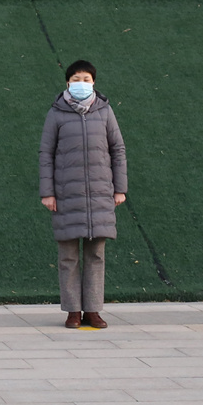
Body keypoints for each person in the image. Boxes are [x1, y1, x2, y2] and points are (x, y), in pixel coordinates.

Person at [39, 60, 127, 329]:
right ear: (68, 82)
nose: (81, 84)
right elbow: (46, 154)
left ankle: (93, 310)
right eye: (76, 79)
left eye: (86, 79)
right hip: (66, 195)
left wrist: (120, 188)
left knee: (95, 255)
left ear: (94, 82)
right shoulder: (56, 112)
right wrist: (48, 193)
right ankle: (73, 311)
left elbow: (118, 149)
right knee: (68, 256)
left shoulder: (105, 111)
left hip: (100, 194)